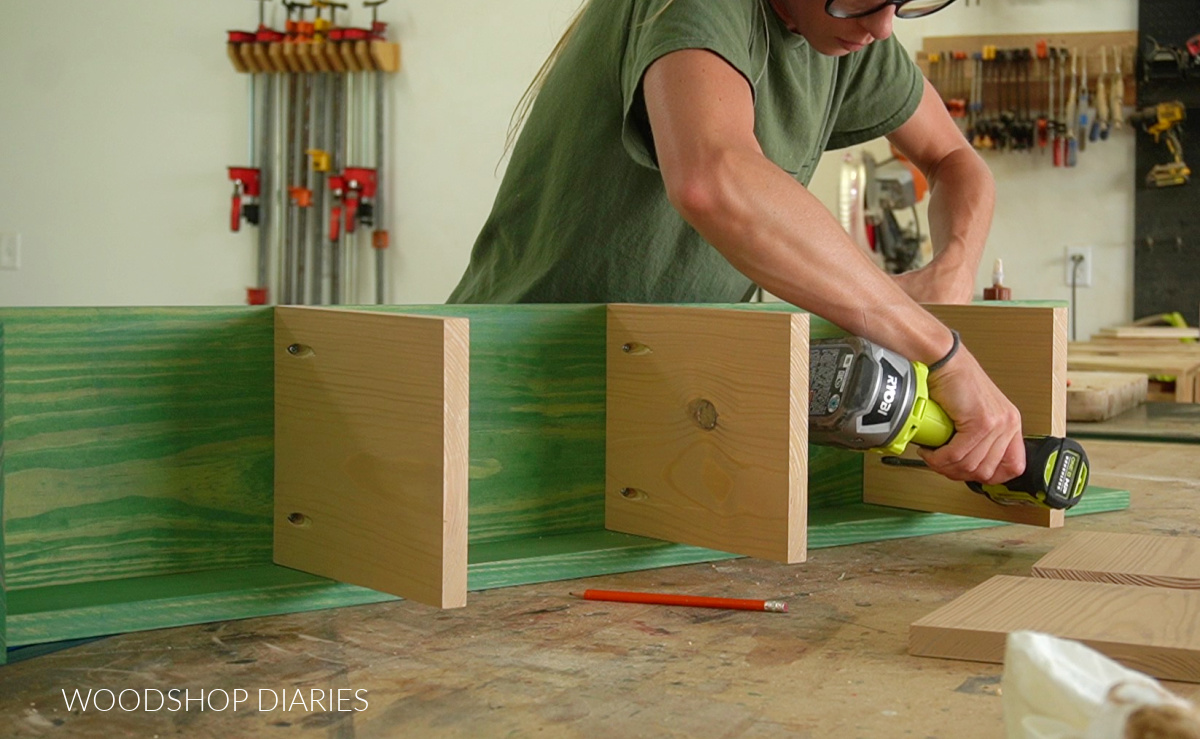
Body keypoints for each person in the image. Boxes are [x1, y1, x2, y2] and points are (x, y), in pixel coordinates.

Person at [449, 0, 1026, 486]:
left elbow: (957, 162)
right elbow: (712, 179)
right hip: (514, 386)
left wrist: (952, 269)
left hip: (669, 396)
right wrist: (942, 351)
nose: (881, 27)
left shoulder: (845, 32)